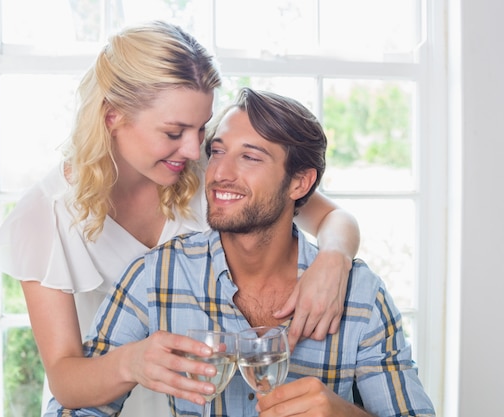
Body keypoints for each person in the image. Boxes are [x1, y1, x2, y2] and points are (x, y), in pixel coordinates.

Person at [0, 21, 361, 416]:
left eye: (201, 129)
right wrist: (132, 362)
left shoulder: (213, 172)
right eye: (173, 131)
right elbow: (65, 380)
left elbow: (333, 217)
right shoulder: (45, 214)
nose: (192, 148)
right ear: (114, 117)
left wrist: (333, 259)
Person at [46, 87, 435, 417]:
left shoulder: (360, 296)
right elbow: (71, 407)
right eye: (216, 152)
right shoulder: (158, 275)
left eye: (250, 157)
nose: (219, 174)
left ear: (300, 182)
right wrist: (128, 365)